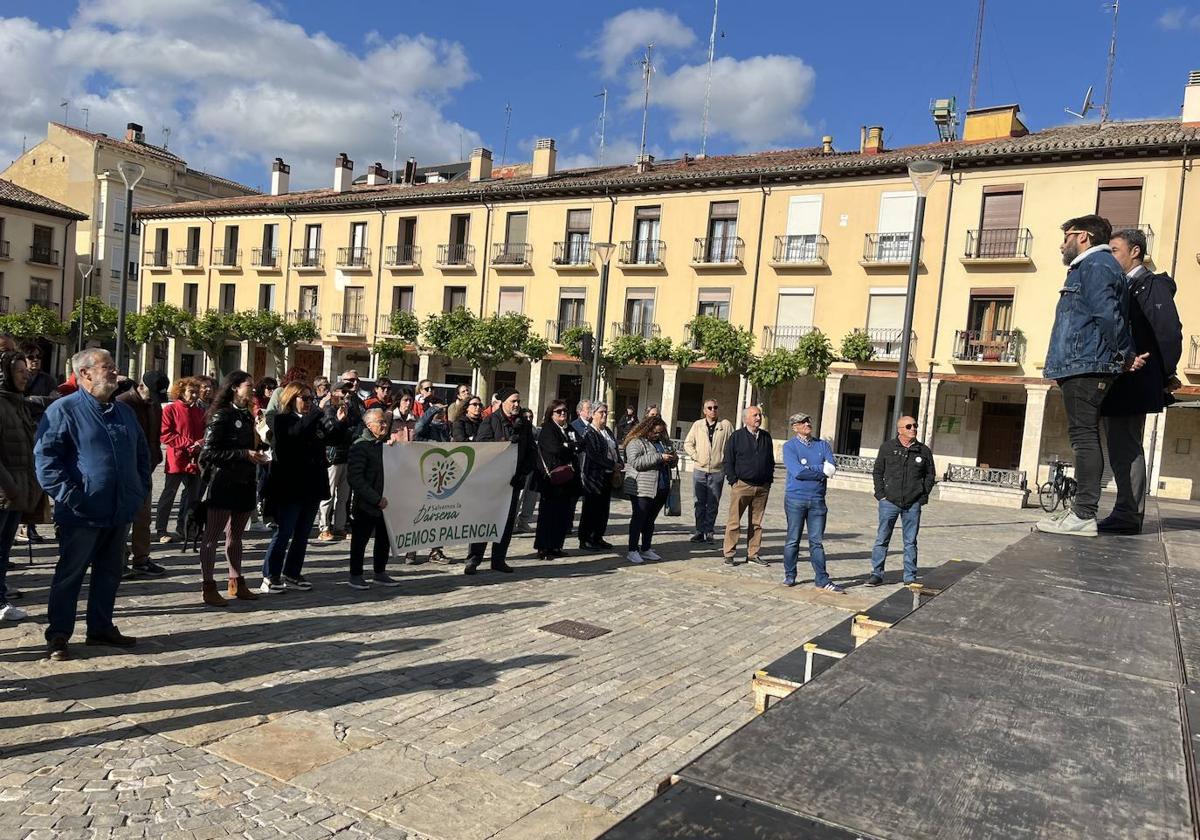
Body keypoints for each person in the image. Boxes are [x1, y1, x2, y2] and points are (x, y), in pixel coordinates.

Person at [34, 349, 150, 660]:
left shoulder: (123, 412)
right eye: (107, 367)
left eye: (113, 367)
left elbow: (141, 454)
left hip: (119, 509)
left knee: (110, 573)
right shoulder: (63, 410)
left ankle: (100, 628)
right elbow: (46, 461)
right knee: (70, 574)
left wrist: (139, 490)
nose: (115, 372)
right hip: (81, 512)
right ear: (85, 374)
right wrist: (72, 496)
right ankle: (58, 634)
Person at [1038, 214, 1138, 537]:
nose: (1062, 243)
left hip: (1087, 364)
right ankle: (1081, 512)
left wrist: (1125, 354)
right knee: (1083, 435)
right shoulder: (1096, 267)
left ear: (1083, 237)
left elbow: (1107, 314)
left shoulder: (1095, 266)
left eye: (1067, 235)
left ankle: (1083, 514)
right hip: (1083, 364)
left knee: (1083, 437)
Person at [1098, 228, 1183, 534]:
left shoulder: (1152, 285)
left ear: (1135, 251)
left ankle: (1128, 514)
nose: (1110, 256)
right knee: (1120, 445)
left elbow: (1169, 332)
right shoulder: (1127, 286)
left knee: (1126, 446)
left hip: (1136, 379)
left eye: (1115, 250)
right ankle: (1125, 511)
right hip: (1123, 379)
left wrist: (1166, 373)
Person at [262, 382, 347, 591]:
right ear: (292, 399)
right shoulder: (280, 420)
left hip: (312, 485)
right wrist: (318, 411)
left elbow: (333, 437)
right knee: (284, 532)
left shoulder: (315, 420)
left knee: (302, 534)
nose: (309, 403)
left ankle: (292, 572)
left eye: (311, 399)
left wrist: (339, 420)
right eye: (305, 398)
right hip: (290, 486)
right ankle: (270, 575)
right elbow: (293, 436)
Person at [197, 371, 268, 606]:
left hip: (245, 482)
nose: (253, 389)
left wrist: (258, 451)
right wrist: (243, 454)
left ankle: (236, 581)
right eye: (249, 385)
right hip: (224, 483)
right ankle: (208, 585)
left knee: (236, 536)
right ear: (235, 387)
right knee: (212, 536)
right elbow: (209, 452)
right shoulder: (221, 415)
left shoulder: (247, 415)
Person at [464, 387, 533, 575]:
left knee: (507, 521)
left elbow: (531, 453)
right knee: (484, 520)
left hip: (513, 482)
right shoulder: (490, 421)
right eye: (513, 401)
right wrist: (507, 443)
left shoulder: (524, 424)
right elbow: (482, 449)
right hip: (492, 482)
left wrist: (522, 473)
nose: (517, 405)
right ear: (503, 402)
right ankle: (474, 559)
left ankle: (499, 559)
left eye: (518, 401)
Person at [0, 351, 46, 621]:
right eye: (19, 371)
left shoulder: (17, 403)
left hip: (18, 489)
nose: (25, 375)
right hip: (7, 491)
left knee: (4, 551)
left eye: (25, 371)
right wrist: (11, 487)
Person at [868, 415, 936, 586]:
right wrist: (881, 494)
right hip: (889, 502)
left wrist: (922, 496)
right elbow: (878, 472)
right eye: (908, 426)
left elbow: (930, 475)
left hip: (912, 504)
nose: (913, 429)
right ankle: (876, 573)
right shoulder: (888, 448)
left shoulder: (923, 450)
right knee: (882, 539)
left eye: (915, 425)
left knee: (910, 541)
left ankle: (909, 576)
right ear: (900, 430)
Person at [781, 412, 842, 592]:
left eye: (809, 420)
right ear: (795, 427)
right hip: (795, 498)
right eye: (803, 422)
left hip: (817, 500)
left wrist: (810, 468)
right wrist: (819, 469)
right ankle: (790, 575)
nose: (808, 424)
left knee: (816, 542)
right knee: (793, 539)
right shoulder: (789, 447)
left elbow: (831, 469)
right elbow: (797, 472)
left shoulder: (822, 445)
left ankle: (822, 579)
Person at [117, 371, 169, 579]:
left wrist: (155, 456)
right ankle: (118, 560)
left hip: (146, 467)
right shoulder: (122, 404)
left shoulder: (154, 405)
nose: (154, 400)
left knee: (143, 517)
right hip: (126, 470)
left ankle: (141, 559)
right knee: (123, 519)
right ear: (140, 386)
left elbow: (155, 435)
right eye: (152, 394)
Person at [345, 408, 401, 589]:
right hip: (366, 504)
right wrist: (375, 499)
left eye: (385, 422)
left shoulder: (384, 445)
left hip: (386, 502)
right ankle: (355, 575)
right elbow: (355, 478)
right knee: (360, 541)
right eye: (380, 422)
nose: (384, 425)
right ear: (369, 425)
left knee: (384, 539)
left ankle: (380, 572)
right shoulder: (360, 446)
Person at [722, 406, 774, 566]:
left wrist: (768, 480)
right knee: (734, 521)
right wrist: (733, 481)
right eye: (754, 415)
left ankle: (753, 553)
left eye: (759, 415)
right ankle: (729, 553)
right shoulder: (736, 437)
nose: (758, 418)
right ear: (746, 419)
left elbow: (770, 460)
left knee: (756, 523)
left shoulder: (766, 437)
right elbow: (728, 460)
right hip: (742, 485)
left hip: (762, 488)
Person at [533, 400, 583, 560]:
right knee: (548, 514)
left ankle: (556, 545)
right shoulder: (548, 429)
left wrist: (568, 446)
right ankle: (543, 546)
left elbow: (581, 444)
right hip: (552, 479)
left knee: (563, 514)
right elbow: (554, 449)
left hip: (568, 478)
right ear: (551, 413)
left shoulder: (569, 428)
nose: (563, 414)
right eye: (559, 412)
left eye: (565, 411)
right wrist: (569, 447)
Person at [157, 377, 205, 542]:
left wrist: (200, 443)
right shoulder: (170, 410)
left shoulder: (199, 412)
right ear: (181, 392)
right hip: (177, 458)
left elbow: (205, 433)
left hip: (195, 459)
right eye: (191, 392)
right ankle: (161, 530)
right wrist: (187, 444)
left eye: (196, 392)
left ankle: (186, 528)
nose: (194, 395)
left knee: (193, 496)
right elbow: (165, 434)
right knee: (169, 493)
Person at [623, 415, 676, 564]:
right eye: (655, 432)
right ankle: (632, 550)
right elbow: (635, 462)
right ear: (647, 429)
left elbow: (670, 461)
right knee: (639, 518)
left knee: (650, 520)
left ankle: (646, 548)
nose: (658, 435)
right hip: (642, 487)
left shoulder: (663, 442)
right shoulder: (636, 442)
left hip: (661, 486)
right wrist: (659, 457)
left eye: (660, 432)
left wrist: (672, 458)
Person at [684, 399, 733, 544]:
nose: (713, 410)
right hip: (700, 469)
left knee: (713, 503)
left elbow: (732, 445)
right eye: (709, 408)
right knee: (699, 502)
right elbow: (688, 443)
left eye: (715, 407)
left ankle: (709, 531)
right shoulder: (698, 425)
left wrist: (725, 460)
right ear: (704, 410)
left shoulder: (725, 426)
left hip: (717, 471)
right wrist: (695, 456)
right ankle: (699, 531)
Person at [317, 374, 360, 540]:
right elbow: (329, 432)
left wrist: (350, 421)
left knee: (343, 496)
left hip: (347, 455)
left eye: (348, 392)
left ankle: (339, 527)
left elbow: (357, 425)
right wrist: (340, 421)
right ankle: (324, 527)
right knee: (328, 495)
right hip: (333, 456)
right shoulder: (328, 409)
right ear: (335, 393)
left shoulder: (351, 408)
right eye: (343, 391)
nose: (347, 394)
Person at [578, 402, 621, 550]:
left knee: (603, 509)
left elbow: (615, 449)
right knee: (591, 508)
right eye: (601, 412)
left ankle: (598, 536)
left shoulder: (607, 431)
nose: (604, 415)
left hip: (608, 476)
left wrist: (619, 463)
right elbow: (594, 455)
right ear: (593, 414)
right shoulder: (589, 432)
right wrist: (611, 464)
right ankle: (586, 538)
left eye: (606, 412)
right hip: (594, 476)